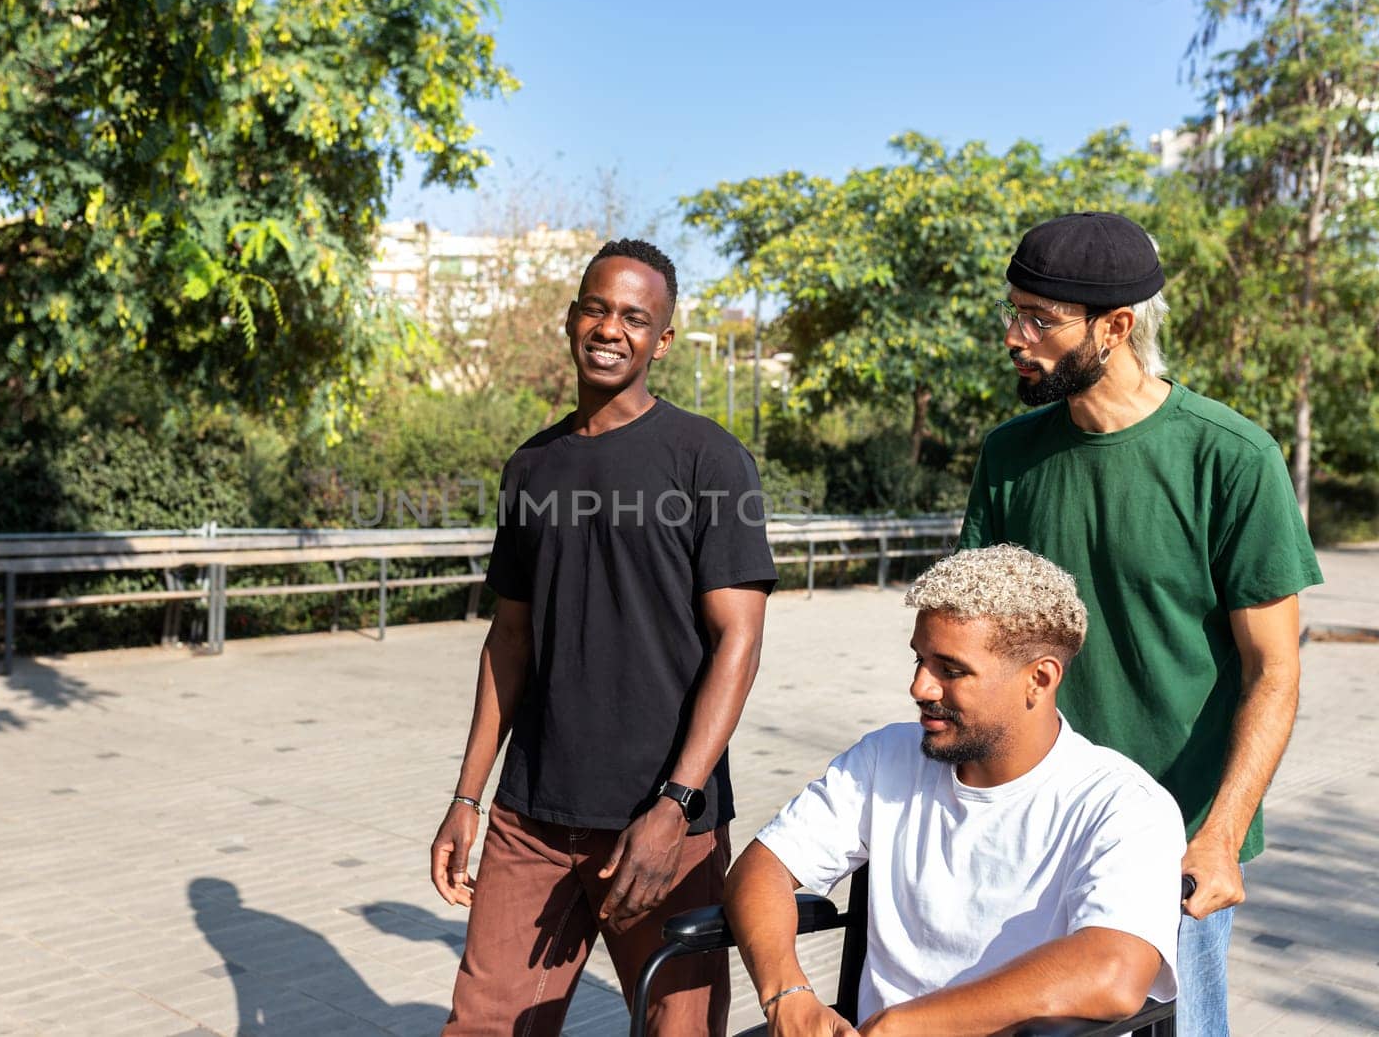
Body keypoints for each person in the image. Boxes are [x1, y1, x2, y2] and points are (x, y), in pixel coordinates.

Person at [959, 210, 1323, 1035]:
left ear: (1116, 326)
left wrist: (1221, 835)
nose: (1016, 337)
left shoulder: (1231, 458)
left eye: (1040, 319)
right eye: (1012, 311)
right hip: (1030, 830)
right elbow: (973, 643)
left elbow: (1275, 670)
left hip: (1174, 846)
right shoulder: (1009, 457)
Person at [429, 238, 777, 1036]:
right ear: (571, 317)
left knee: (679, 1032)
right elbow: (507, 640)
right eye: (597, 307)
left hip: (660, 825)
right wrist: (466, 797)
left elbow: (739, 641)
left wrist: (676, 803)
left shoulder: (710, 460)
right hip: (532, 817)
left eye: (634, 316)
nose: (610, 327)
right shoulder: (531, 468)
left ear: (664, 338)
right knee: (482, 1025)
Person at [727, 544, 1187, 1036]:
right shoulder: (886, 757)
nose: (919, 687)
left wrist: (902, 1026)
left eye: (951, 670)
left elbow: (1113, 973)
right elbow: (762, 869)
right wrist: (787, 994)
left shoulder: (1123, 806)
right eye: (919, 660)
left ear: (1040, 678)